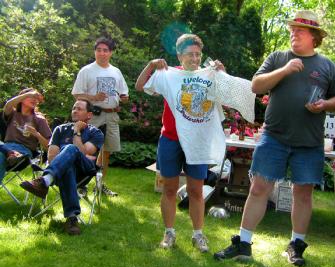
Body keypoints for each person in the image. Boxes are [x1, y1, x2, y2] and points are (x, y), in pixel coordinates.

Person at [214, 10, 335, 267]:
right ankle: (244, 244)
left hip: (309, 142)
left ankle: (295, 245)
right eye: (292, 29)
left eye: (300, 30)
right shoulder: (278, 58)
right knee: (260, 187)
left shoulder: (327, 66)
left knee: (303, 194)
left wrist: (324, 104)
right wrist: (284, 70)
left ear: (314, 37)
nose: (294, 33)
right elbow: (256, 86)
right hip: (274, 137)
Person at [135, 34, 226, 252]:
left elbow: (228, 96)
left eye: (198, 54)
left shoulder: (209, 76)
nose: (195, 58)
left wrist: (223, 75)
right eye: (190, 54)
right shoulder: (168, 74)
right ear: (179, 55)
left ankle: (198, 235)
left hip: (197, 142)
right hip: (171, 139)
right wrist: (150, 65)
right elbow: (139, 86)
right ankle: (169, 233)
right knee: (169, 188)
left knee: (196, 190)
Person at [20, 99, 104, 235]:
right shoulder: (60, 129)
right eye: (73, 108)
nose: (75, 111)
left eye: (79, 109)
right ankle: (72, 219)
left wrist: (76, 131)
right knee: (67, 167)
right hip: (62, 171)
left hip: (84, 172)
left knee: (71, 148)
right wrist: (68, 157)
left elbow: (82, 152)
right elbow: (52, 157)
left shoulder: (96, 133)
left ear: (89, 115)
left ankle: (44, 181)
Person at [72, 36, 129, 197]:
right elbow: (76, 94)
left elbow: (124, 93)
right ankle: (81, 184)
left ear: (111, 53)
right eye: (99, 50)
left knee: (106, 151)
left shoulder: (116, 71)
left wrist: (124, 98)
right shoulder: (87, 70)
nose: (102, 53)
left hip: (111, 116)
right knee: (85, 149)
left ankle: (99, 184)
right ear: (95, 52)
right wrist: (93, 98)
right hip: (92, 115)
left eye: (105, 50)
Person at [0, 88, 51, 184]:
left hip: (23, 153)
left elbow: (49, 147)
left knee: (1, 155)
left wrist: (36, 134)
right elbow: (8, 105)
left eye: (36, 98)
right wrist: (28, 94)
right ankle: (10, 153)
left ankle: (11, 154)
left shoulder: (39, 119)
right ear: (21, 99)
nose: (34, 100)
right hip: (6, 147)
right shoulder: (13, 114)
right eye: (31, 97)